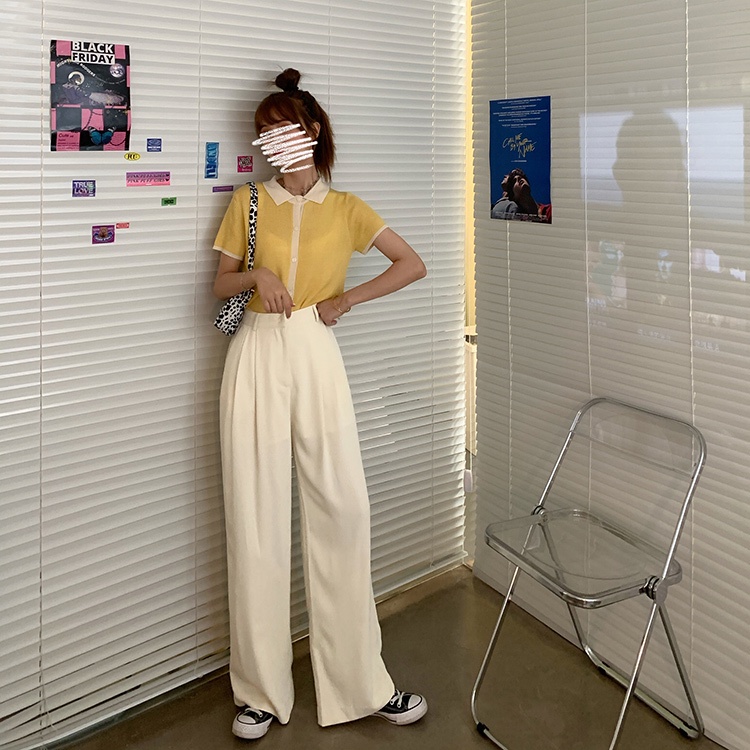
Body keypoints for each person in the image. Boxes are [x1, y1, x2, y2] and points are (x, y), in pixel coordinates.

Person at [212, 68, 428, 741]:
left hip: (315, 349)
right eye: (265, 131)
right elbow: (220, 285)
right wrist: (258, 273)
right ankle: (258, 693)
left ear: (311, 132)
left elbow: (411, 263)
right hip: (255, 350)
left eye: (285, 128)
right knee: (255, 516)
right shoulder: (249, 201)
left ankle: (363, 684)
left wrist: (345, 300)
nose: (275, 141)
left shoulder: (349, 208)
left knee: (343, 509)